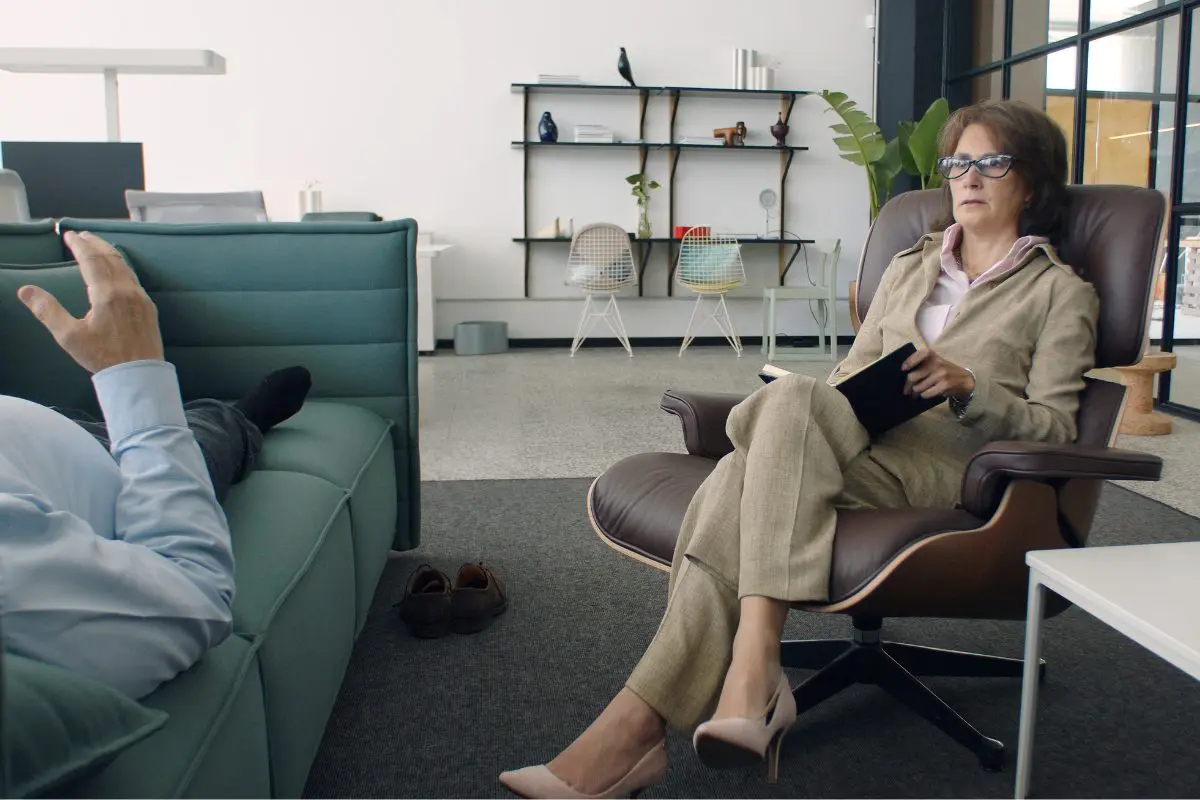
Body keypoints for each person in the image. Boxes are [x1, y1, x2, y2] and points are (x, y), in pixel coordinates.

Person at [500, 98, 1099, 798]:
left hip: (945, 469)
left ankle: (662, 715)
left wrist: (970, 386)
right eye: (958, 161)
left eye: (991, 161)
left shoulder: (1060, 293)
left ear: (1032, 180)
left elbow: (1057, 428)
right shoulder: (911, 266)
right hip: (858, 439)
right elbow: (852, 373)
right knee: (791, 402)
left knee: (744, 469)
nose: (968, 176)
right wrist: (820, 409)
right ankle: (737, 681)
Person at [0, 231, 311, 699]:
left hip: (41, 434)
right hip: (114, 478)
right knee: (203, 437)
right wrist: (135, 375)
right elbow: (191, 598)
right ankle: (242, 420)